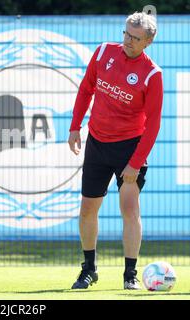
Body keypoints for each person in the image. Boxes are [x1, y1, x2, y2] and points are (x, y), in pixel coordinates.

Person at [68, 12, 163, 290]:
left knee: (129, 209)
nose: (128, 41)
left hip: (130, 148)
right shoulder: (103, 52)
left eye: (135, 38)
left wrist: (134, 163)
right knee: (87, 209)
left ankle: (130, 274)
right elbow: (86, 89)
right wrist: (75, 127)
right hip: (97, 143)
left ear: (148, 42)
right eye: (126, 34)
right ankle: (88, 269)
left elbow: (153, 125)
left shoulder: (152, 74)